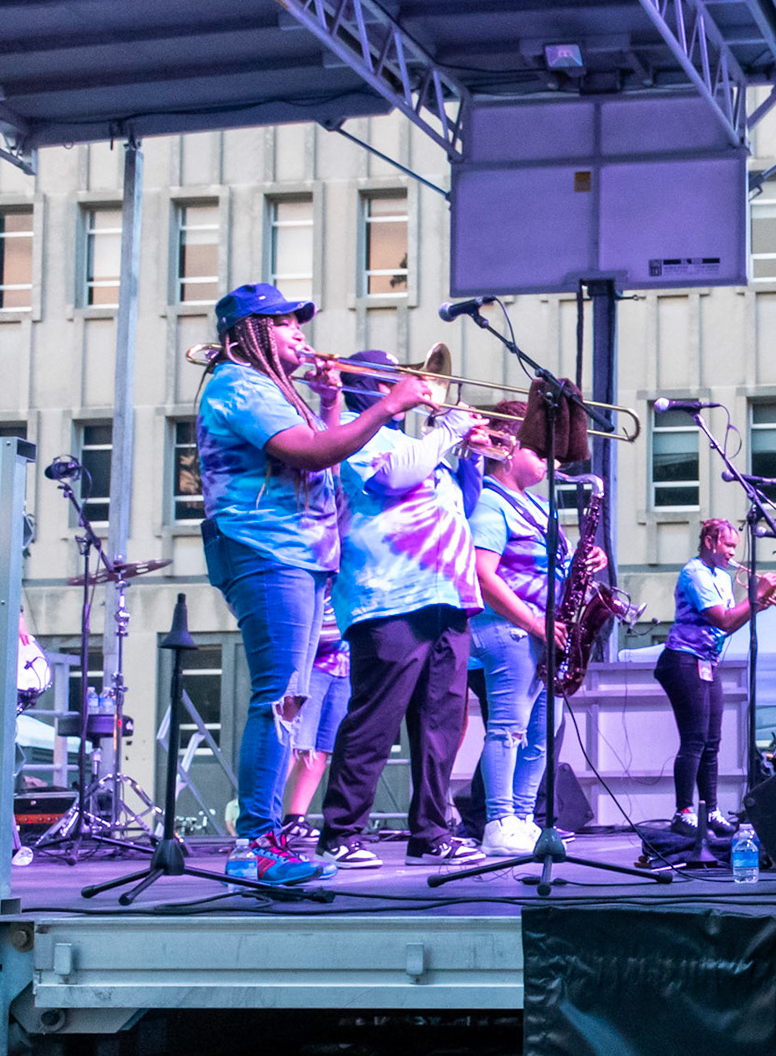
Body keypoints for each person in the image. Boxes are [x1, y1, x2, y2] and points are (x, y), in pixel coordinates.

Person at [197, 284, 432, 886]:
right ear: (247, 335)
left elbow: (324, 451)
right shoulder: (241, 384)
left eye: (300, 324)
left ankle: (267, 839)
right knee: (278, 698)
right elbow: (310, 455)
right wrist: (385, 406)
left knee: (290, 700)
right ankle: (255, 843)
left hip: (297, 557)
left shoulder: (274, 389)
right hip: (268, 554)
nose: (300, 333)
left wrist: (331, 404)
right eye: (284, 324)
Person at [313, 351, 489, 870]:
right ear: (369, 385)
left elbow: (464, 505)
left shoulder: (417, 443)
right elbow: (389, 481)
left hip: (448, 593)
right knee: (375, 717)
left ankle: (432, 831)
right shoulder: (347, 430)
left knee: (441, 722)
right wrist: (444, 434)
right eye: (398, 380)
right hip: (388, 594)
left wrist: (469, 457)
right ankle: (340, 831)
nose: (417, 387)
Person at [465, 400, 601, 855]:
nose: (548, 463)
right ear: (506, 448)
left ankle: (523, 817)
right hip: (508, 630)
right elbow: (483, 574)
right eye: (538, 452)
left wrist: (587, 562)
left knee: (543, 734)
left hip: (542, 634)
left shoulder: (536, 507)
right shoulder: (489, 501)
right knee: (509, 728)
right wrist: (535, 621)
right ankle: (499, 819)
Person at [654, 519, 776, 836]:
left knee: (712, 742)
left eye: (735, 547)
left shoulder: (722, 578)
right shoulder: (694, 573)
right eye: (728, 546)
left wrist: (757, 607)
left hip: (707, 660)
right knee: (694, 740)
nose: (732, 553)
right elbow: (722, 620)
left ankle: (710, 810)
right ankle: (683, 812)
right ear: (710, 542)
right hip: (683, 659)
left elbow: (729, 626)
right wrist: (756, 594)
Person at [279, 597, 350, 845]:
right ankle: (265, 819)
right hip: (312, 666)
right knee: (296, 744)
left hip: (344, 664)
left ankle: (295, 819)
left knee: (321, 747)